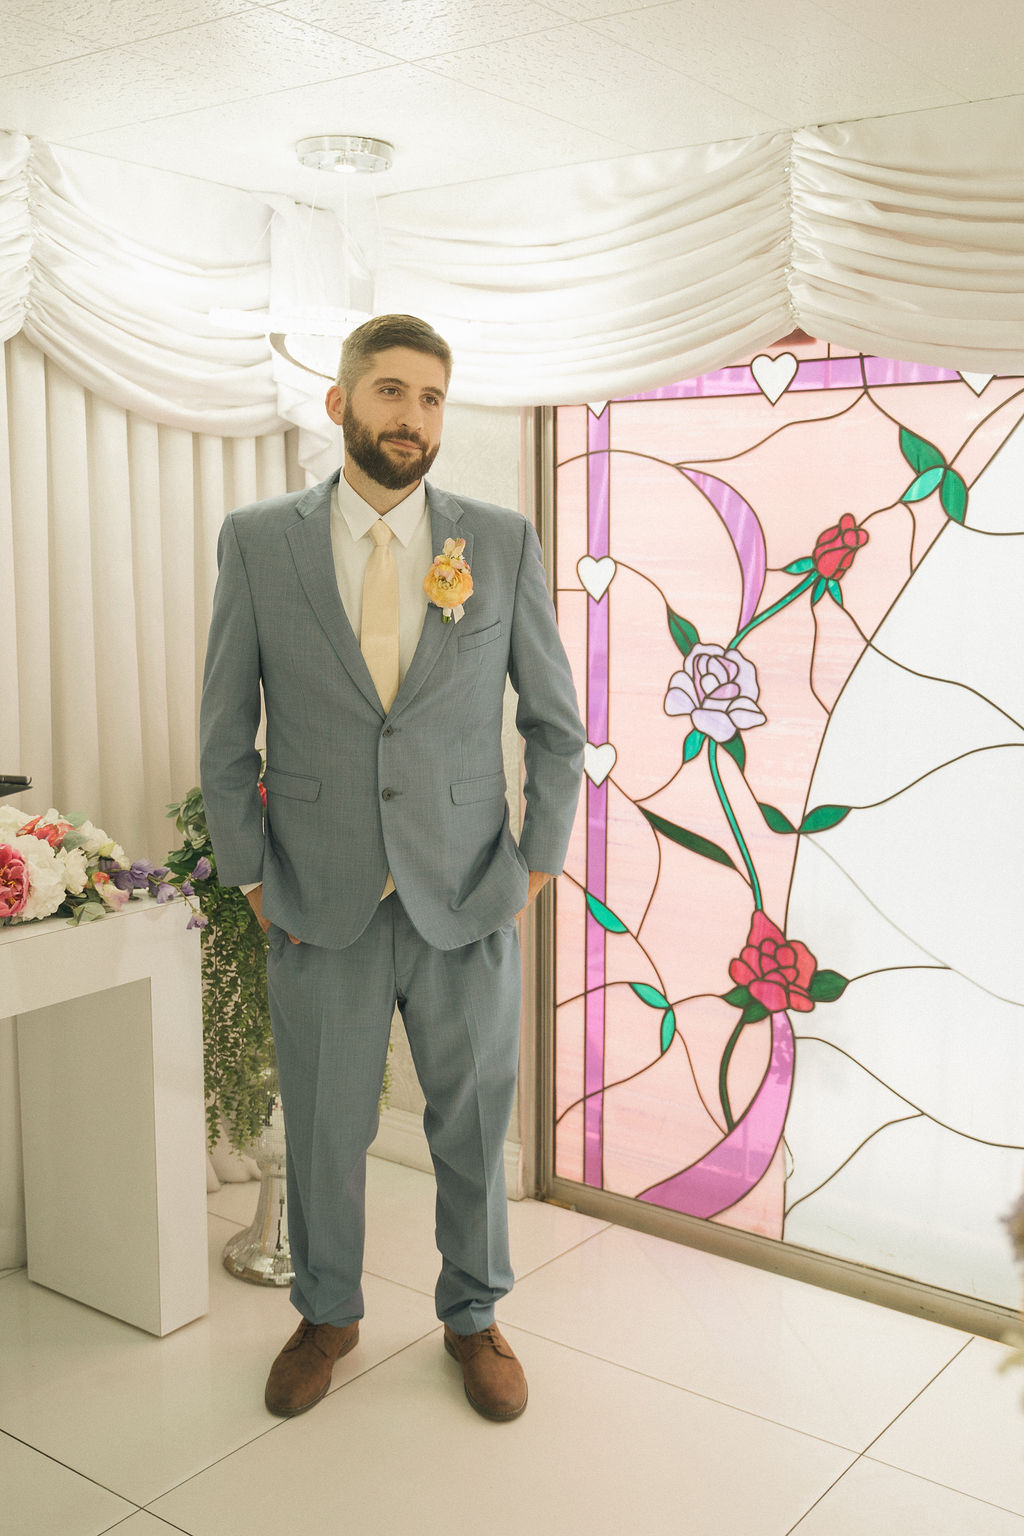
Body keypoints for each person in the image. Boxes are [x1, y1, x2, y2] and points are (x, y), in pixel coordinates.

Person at [199, 313, 584, 1423]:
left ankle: (475, 1315)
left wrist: (536, 863)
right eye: (390, 392)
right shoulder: (258, 541)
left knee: (473, 1124)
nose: (412, 417)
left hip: (467, 891)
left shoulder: (498, 541)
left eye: (430, 398)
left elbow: (556, 724)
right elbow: (224, 731)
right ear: (341, 403)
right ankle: (326, 1313)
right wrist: (249, 874)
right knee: (326, 1126)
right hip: (316, 894)